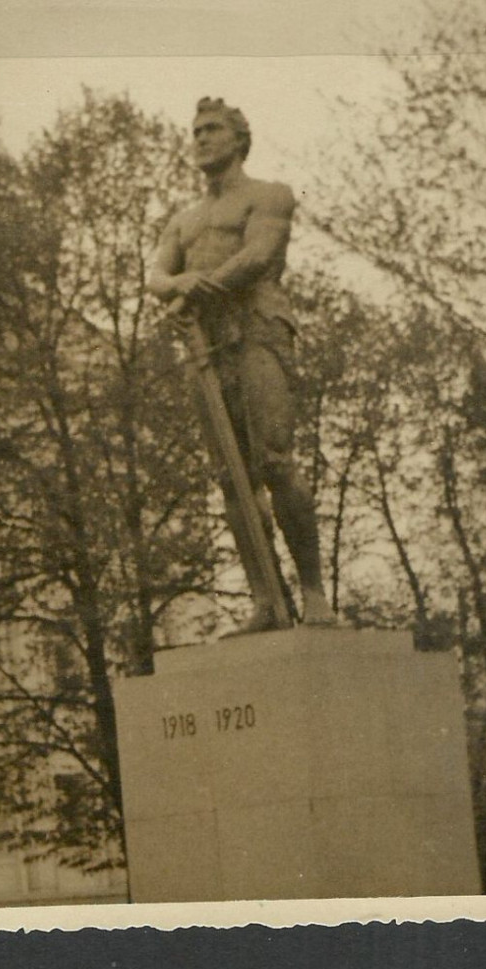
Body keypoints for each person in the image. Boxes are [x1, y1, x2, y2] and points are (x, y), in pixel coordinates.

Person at [148, 97, 336, 632]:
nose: (201, 139)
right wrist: (178, 286)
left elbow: (259, 256)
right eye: (196, 131)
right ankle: (266, 601)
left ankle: (315, 593)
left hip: (257, 331)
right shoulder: (183, 220)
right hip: (206, 349)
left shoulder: (268, 195)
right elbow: (156, 277)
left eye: (212, 130)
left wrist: (194, 291)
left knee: (276, 459)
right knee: (232, 478)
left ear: (238, 139)